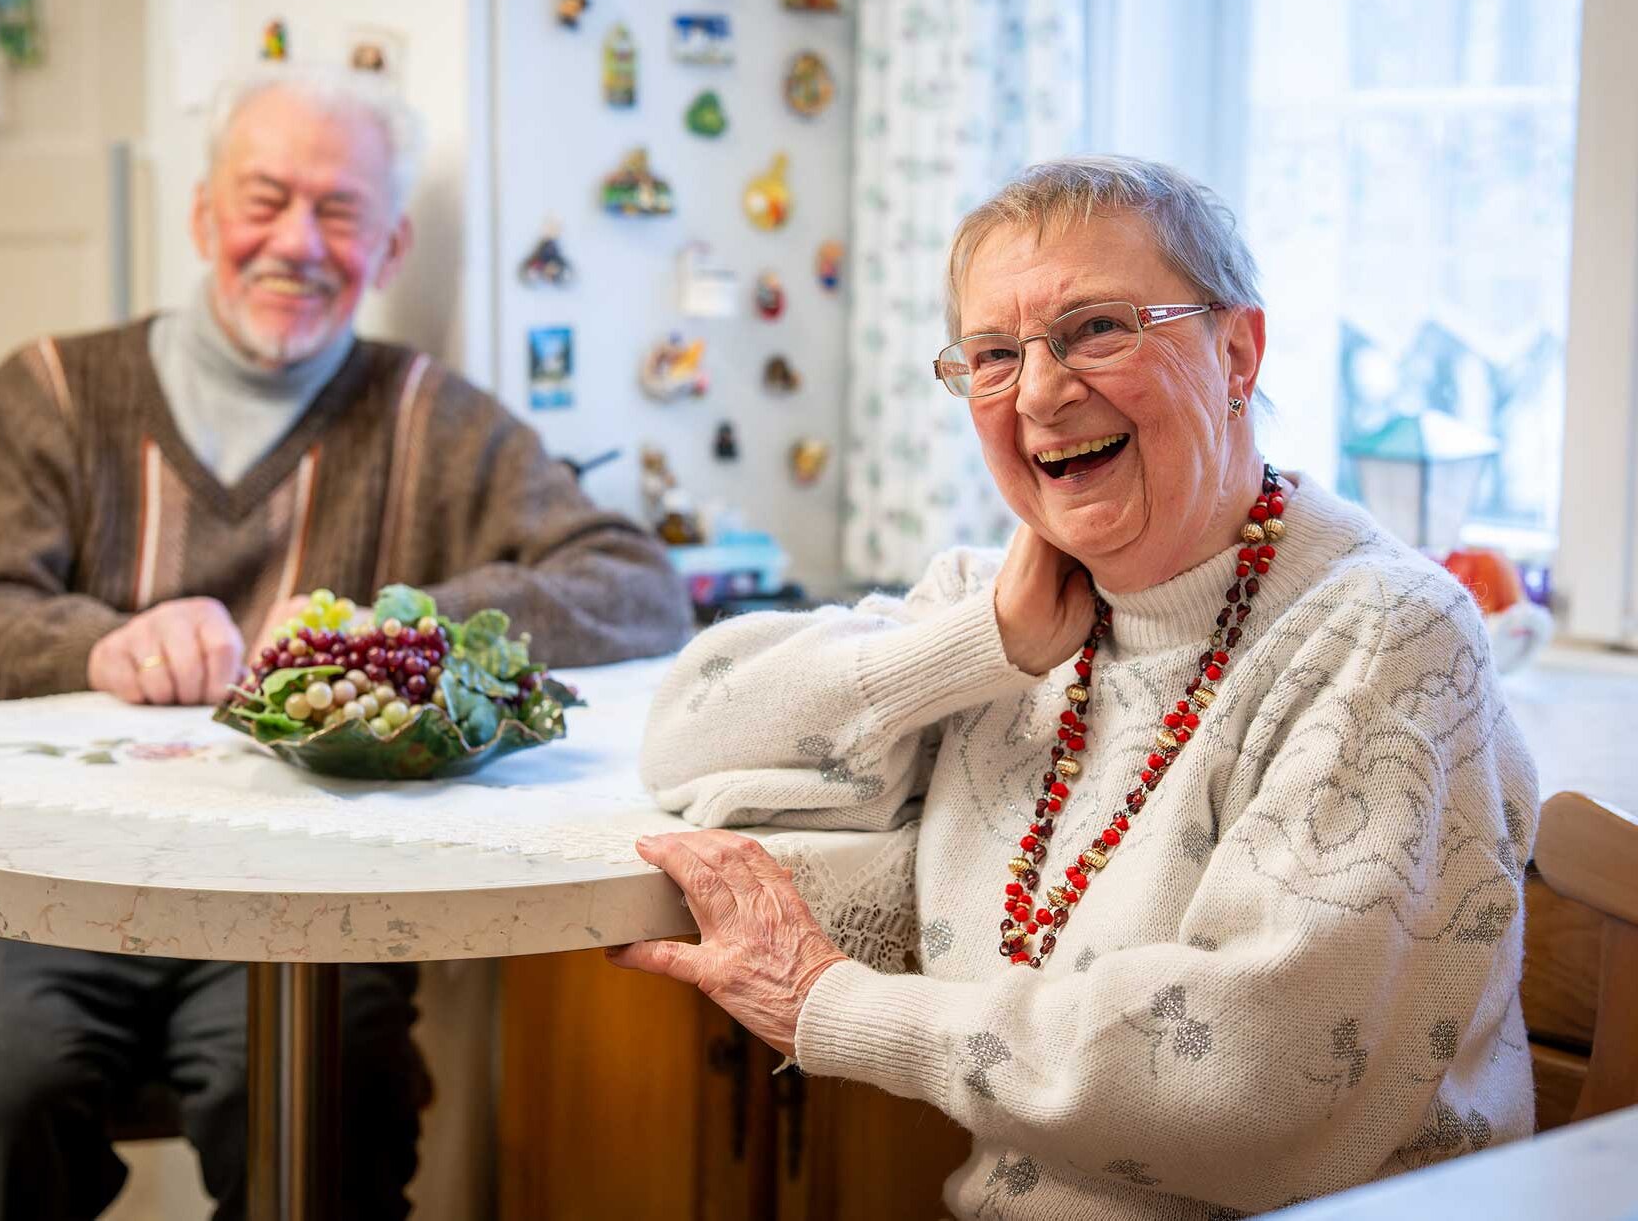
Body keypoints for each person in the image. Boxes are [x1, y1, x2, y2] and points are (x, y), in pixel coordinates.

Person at [611, 157, 1537, 1218]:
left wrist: (834, 1005)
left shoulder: (1383, 633)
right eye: (994, 354)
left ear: (1237, 350)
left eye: (1097, 328)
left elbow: (1249, 1068)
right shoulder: (1004, 611)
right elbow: (687, 728)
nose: (1044, 392)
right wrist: (983, 641)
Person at [0, 64, 690, 1221]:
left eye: (341, 210)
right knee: (14, 1092)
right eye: (263, 200)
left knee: (328, 1103)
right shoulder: (50, 391)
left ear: (393, 244)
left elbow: (636, 584)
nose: (296, 242)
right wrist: (104, 645)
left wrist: (388, 640)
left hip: (305, 891)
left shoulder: (431, 417)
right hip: (39, 868)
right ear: (205, 214)